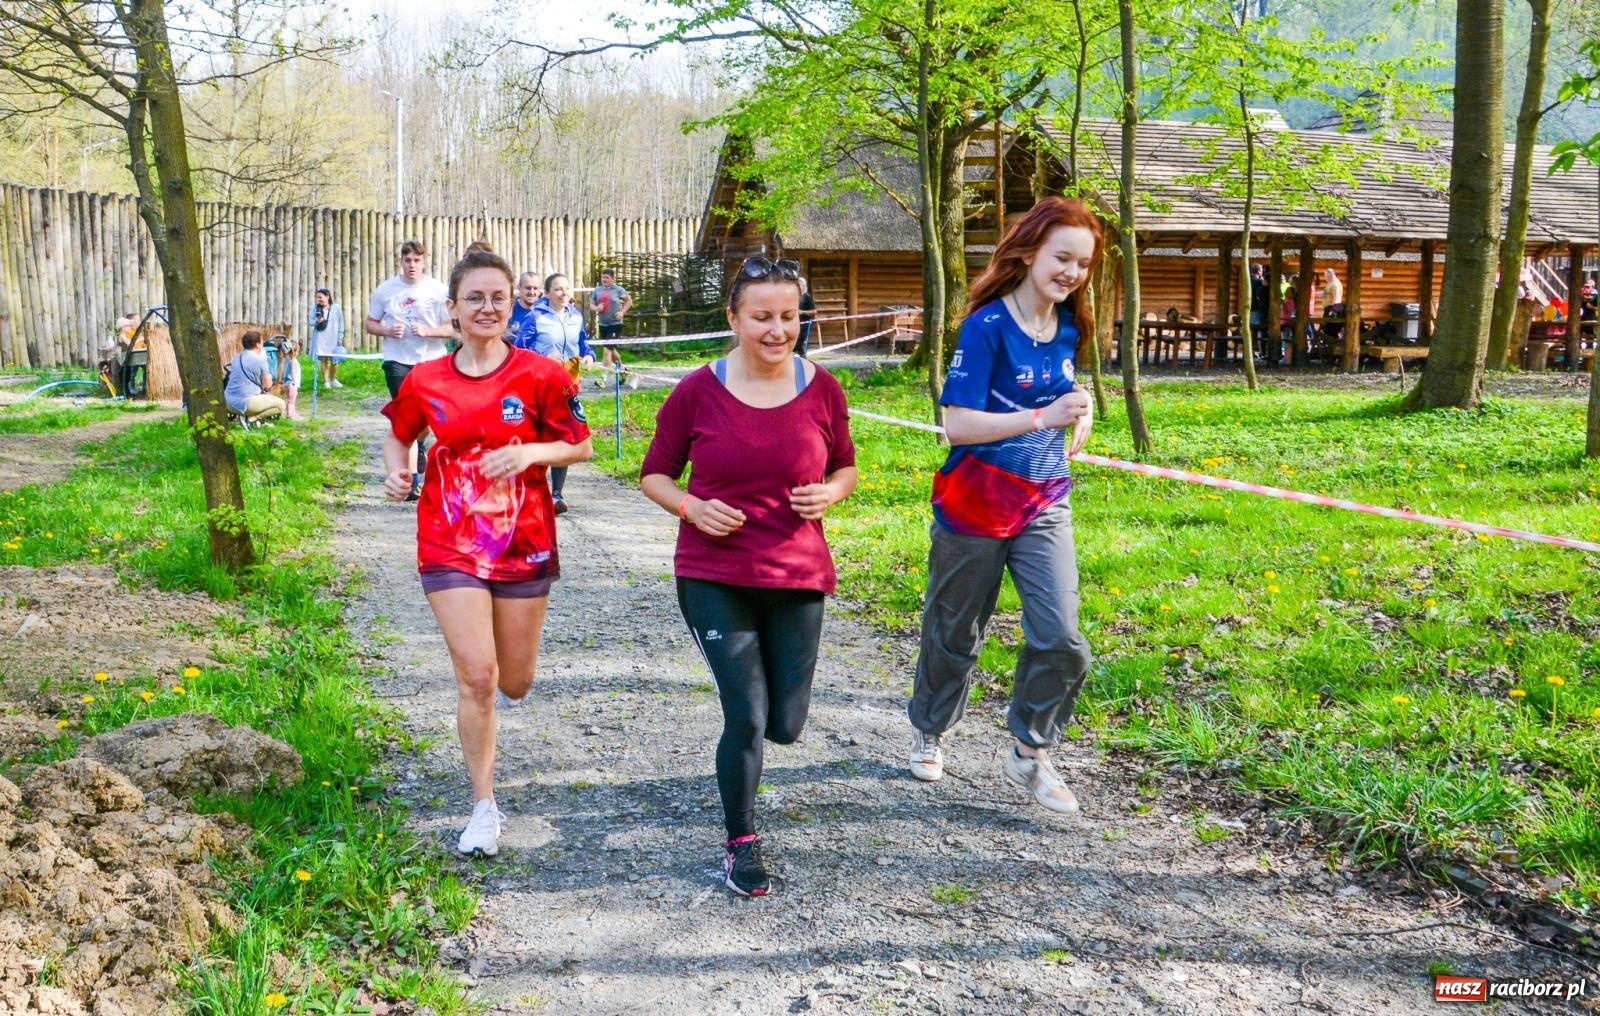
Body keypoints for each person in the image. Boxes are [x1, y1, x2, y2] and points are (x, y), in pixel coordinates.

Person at [639, 255, 857, 897]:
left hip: (796, 571)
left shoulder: (822, 388)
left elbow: (845, 465)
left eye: (789, 316)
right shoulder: (696, 391)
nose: (777, 330)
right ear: (733, 317)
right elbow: (654, 473)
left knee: (785, 723)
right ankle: (741, 841)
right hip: (715, 573)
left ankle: (762, 735)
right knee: (747, 712)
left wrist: (832, 494)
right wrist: (690, 506)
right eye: (762, 316)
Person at [381, 243, 593, 857]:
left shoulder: (540, 375)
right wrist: (397, 473)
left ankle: (494, 744)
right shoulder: (427, 380)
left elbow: (579, 446)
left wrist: (531, 452)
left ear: (510, 307)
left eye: (498, 298)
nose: (487, 307)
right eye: (474, 297)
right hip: (448, 541)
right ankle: (482, 805)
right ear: (452, 309)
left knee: (515, 682)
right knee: (478, 675)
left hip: (524, 538)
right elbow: (399, 436)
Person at [905, 196, 1099, 816]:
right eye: (1061, 257)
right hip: (974, 504)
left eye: (1084, 263)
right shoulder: (986, 327)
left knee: (1063, 638)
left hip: (1044, 499)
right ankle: (931, 727)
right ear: (1029, 253)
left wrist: (1080, 402)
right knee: (954, 632)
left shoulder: (1070, 325)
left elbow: (1057, 386)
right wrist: (1042, 415)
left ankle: (1030, 746)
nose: (1072, 272)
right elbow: (957, 424)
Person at [367, 240, 452, 502]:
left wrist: (429, 331)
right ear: (401, 262)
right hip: (398, 361)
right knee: (405, 420)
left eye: (416, 260)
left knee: (432, 418)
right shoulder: (386, 290)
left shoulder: (438, 290)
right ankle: (412, 480)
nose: (411, 265)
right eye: (407, 260)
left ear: (424, 262)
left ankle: (428, 454)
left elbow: (452, 329)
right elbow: (370, 323)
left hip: (432, 360)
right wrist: (387, 330)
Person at [517, 272, 595, 515]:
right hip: (538, 386)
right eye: (558, 289)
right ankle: (529, 490)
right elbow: (519, 350)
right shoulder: (535, 318)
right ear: (547, 293)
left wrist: (589, 356)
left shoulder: (576, 317)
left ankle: (557, 494)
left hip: (568, 385)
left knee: (565, 437)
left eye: (567, 288)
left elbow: (583, 343)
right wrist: (543, 358)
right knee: (539, 438)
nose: (564, 293)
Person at [223, 330, 286, 423]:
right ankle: (253, 419)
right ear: (257, 344)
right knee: (281, 405)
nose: (262, 343)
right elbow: (268, 385)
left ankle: (245, 417)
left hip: (228, 402)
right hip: (246, 403)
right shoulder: (260, 359)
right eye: (261, 341)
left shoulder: (237, 357)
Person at [590, 268, 634, 388]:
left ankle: (603, 379)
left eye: (607, 278)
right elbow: (591, 305)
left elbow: (629, 301)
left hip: (616, 324)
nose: (604, 280)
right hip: (603, 324)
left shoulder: (619, 290)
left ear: (613, 279)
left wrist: (622, 312)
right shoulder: (597, 290)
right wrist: (596, 308)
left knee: (606, 351)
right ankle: (624, 371)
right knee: (612, 351)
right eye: (603, 277)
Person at [310, 288, 346, 389]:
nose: (318, 299)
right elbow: (310, 321)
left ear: (327, 297)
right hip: (321, 338)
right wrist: (317, 321)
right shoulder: (315, 308)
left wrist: (340, 336)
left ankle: (333, 379)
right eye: (317, 297)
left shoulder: (336, 308)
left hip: (333, 338)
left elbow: (341, 322)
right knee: (324, 360)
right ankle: (326, 382)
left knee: (335, 360)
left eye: (320, 297)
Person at [276, 335, 303, 420]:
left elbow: (284, 371)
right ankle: (291, 415)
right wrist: (294, 381)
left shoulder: (287, 360)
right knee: (291, 401)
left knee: (290, 400)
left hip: (288, 383)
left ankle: (292, 413)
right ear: (296, 351)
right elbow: (293, 372)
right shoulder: (294, 361)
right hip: (292, 384)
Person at [509, 271, 543, 338]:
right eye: (528, 288)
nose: (532, 292)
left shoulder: (545, 312)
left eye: (535, 288)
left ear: (539, 290)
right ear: (519, 288)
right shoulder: (509, 310)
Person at [796, 276, 816, 357]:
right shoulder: (797, 297)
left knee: (802, 347)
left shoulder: (807, 297)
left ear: (804, 286)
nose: (798, 286)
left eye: (800, 285)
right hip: (796, 324)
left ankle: (804, 363)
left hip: (805, 325)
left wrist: (802, 312)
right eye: (797, 285)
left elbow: (814, 311)